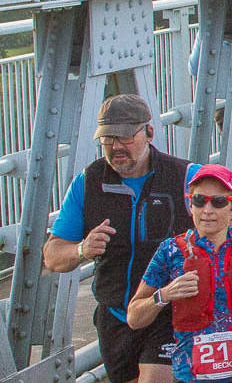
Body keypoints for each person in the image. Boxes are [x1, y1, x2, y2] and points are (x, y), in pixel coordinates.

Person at [45, 94, 200, 383]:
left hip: (169, 312)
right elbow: (53, 255)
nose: (116, 146)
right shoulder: (88, 182)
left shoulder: (185, 176)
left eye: (126, 136)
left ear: (149, 133)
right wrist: (82, 249)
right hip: (116, 316)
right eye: (108, 138)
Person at [127, 165, 232, 383]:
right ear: (190, 205)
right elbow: (134, 318)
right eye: (200, 201)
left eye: (219, 202)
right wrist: (163, 295)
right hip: (193, 375)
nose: (208, 209)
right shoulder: (170, 251)